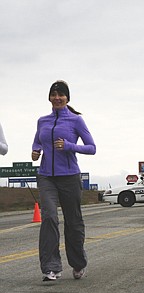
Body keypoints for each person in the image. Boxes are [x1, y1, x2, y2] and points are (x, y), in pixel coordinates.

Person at [31, 80, 96, 281]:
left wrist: (69, 145)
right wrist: (35, 151)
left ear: (67, 98)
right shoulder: (42, 121)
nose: (57, 98)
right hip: (46, 177)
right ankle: (51, 268)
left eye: (61, 95)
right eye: (53, 94)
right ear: (49, 97)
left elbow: (91, 147)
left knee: (73, 221)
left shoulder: (76, 121)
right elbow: (36, 141)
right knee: (49, 217)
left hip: (69, 176)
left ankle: (78, 264)